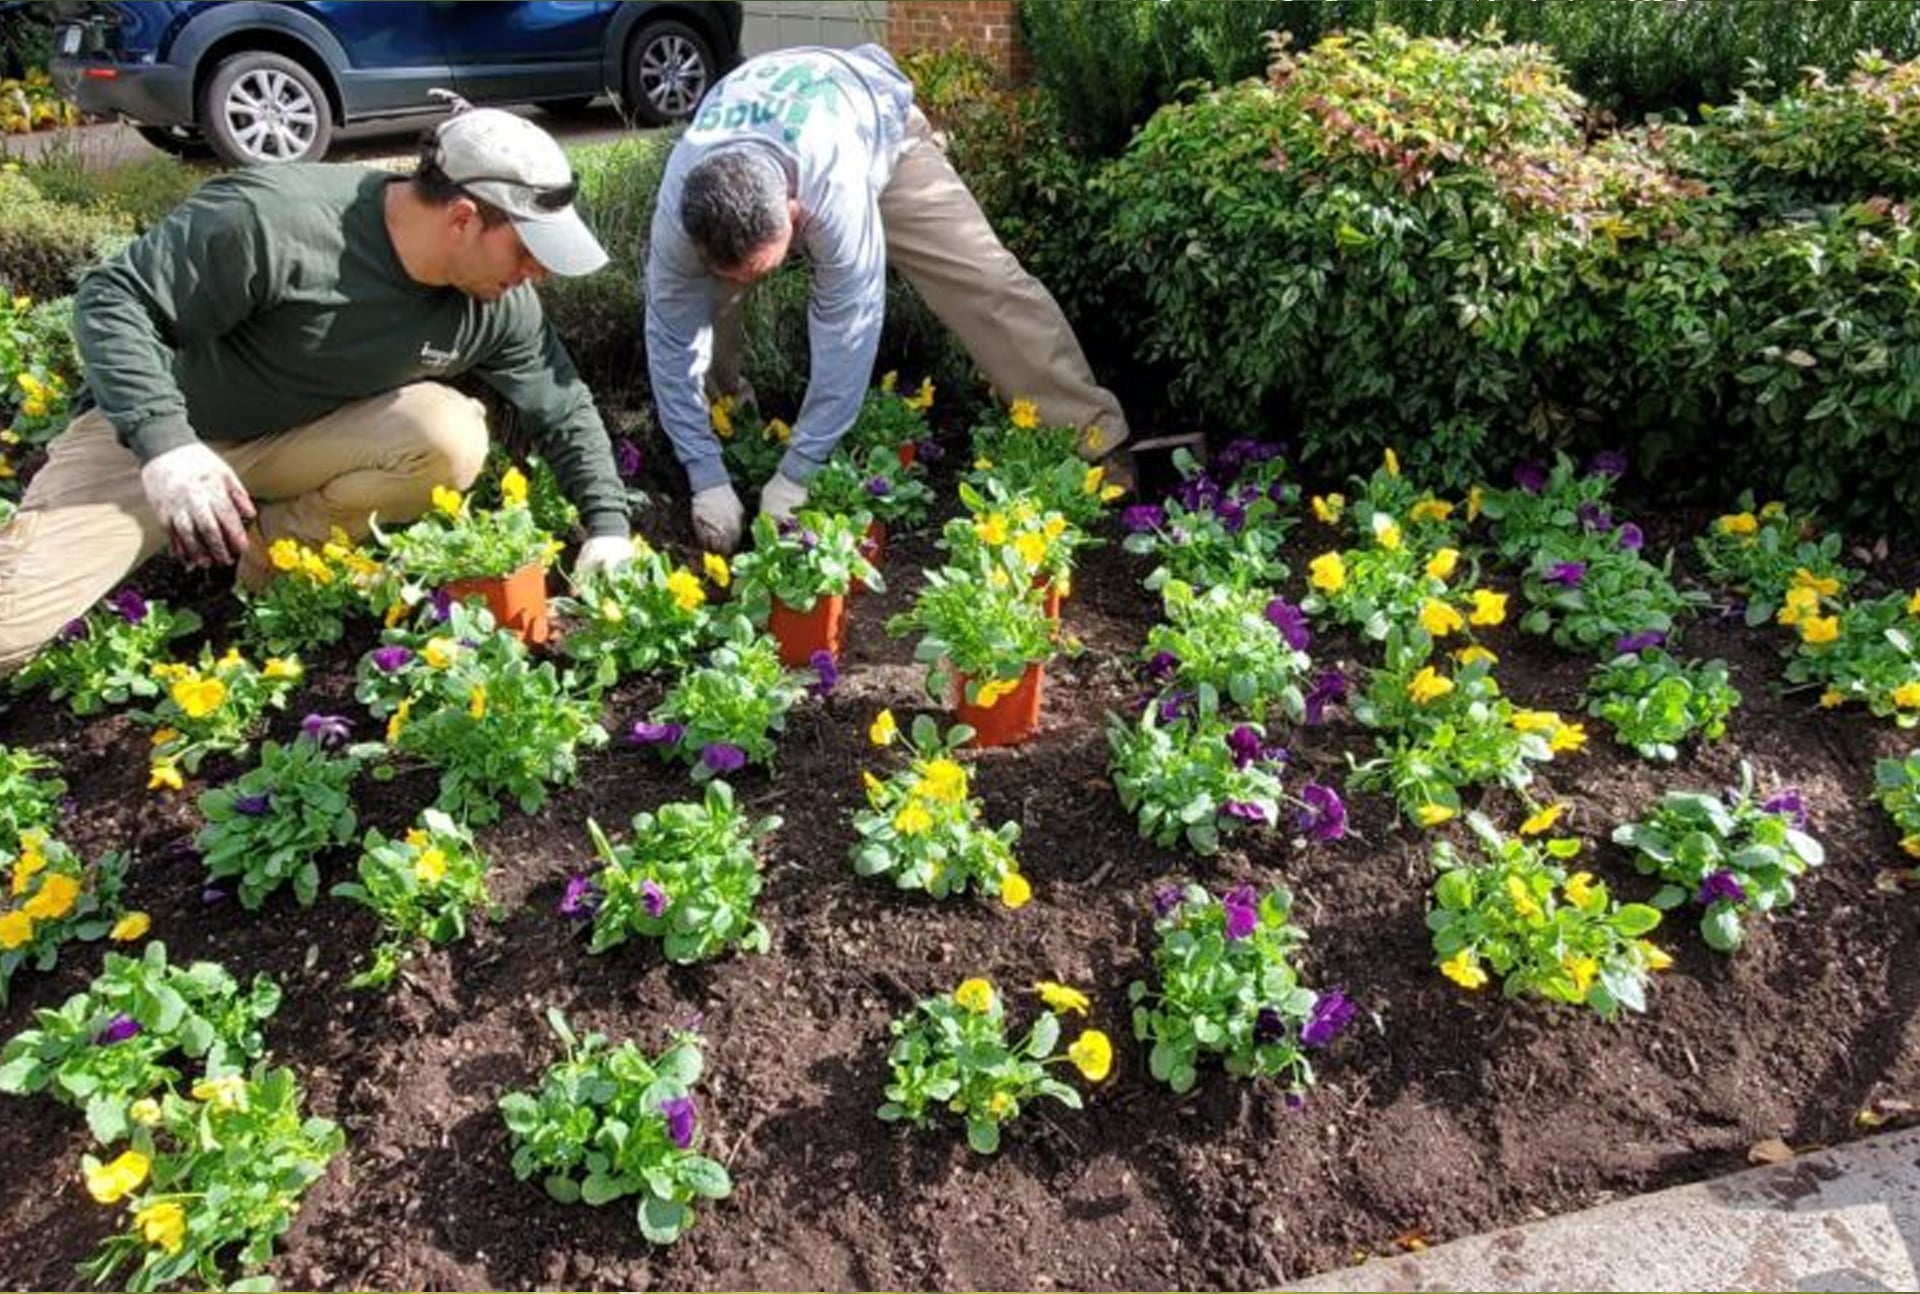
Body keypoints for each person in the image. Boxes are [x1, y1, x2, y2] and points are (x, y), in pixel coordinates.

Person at [0, 105, 635, 673]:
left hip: (298, 443)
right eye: (526, 250)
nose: (539, 272)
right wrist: (165, 446)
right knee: (9, 635)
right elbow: (113, 300)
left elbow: (562, 405)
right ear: (463, 219)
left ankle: (271, 561)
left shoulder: (498, 303)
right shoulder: (277, 222)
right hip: (161, 443)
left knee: (450, 436)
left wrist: (607, 527)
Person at [645, 43, 1129, 554]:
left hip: (874, 130)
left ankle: (1092, 435)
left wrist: (798, 473)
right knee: (707, 305)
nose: (756, 282)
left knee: (983, 279)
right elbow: (670, 336)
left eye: (763, 268)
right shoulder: (683, 210)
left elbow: (848, 332)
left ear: (795, 212)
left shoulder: (833, 189)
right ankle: (728, 437)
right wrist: (704, 474)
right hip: (773, 145)